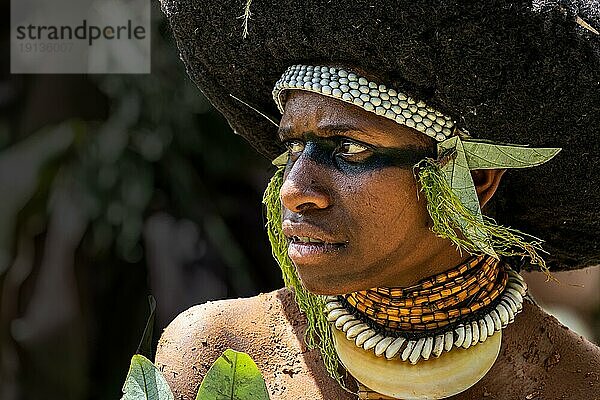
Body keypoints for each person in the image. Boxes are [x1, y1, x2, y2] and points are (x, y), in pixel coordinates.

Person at [156, 1, 600, 399]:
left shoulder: (577, 384)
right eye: (293, 148)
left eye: (349, 149)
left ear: (475, 180)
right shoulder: (215, 357)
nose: (294, 189)